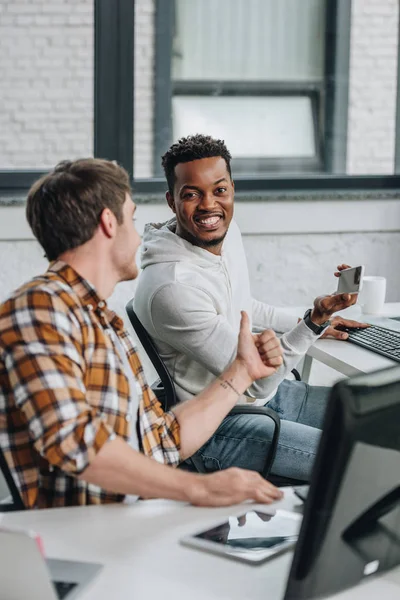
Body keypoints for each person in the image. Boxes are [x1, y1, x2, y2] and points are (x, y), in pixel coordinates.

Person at [0, 158, 284, 510]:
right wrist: (199, 489)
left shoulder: (102, 322)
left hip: (137, 523)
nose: (138, 237)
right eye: (131, 219)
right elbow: (75, 442)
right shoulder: (41, 307)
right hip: (86, 541)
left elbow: (164, 440)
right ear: (108, 223)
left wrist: (240, 372)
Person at [134, 134, 368, 482]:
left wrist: (315, 319)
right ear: (171, 201)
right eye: (191, 193)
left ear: (232, 189)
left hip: (266, 398)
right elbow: (254, 380)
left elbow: (243, 306)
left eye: (219, 190)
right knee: (359, 465)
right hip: (220, 426)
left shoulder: (227, 236)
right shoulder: (172, 287)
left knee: (380, 425)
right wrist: (311, 324)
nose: (209, 205)